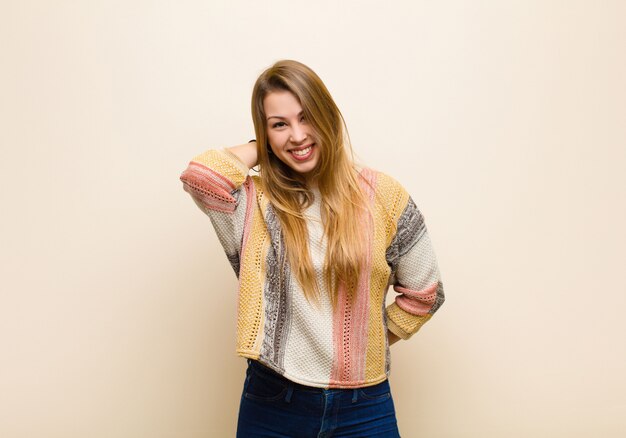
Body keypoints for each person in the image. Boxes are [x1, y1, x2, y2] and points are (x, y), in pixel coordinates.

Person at [180, 60, 445, 437]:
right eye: (279, 125)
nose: (297, 136)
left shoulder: (382, 196)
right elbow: (202, 176)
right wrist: (262, 146)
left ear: (327, 116)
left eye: (307, 118)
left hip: (364, 407)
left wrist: (366, 340)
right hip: (273, 401)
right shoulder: (254, 202)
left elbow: (425, 294)